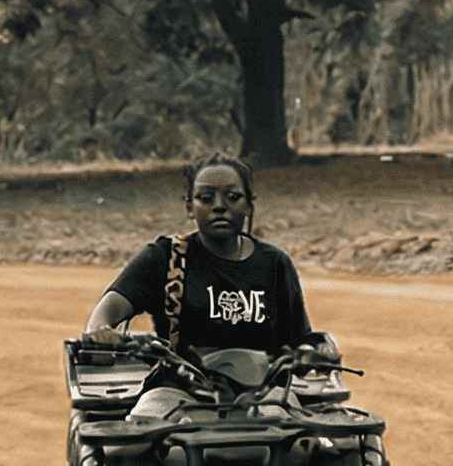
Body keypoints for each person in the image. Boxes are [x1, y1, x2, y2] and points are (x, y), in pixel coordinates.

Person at [83, 155, 326, 418]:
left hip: (263, 393)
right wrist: (99, 331)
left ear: (248, 206)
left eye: (233, 197)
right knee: (142, 433)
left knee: (297, 436)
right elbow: (110, 307)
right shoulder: (166, 257)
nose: (219, 206)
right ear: (190, 207)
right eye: (206, 198)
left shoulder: (275, 264)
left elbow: (299, 339)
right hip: (180, 390)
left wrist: (313, 352)